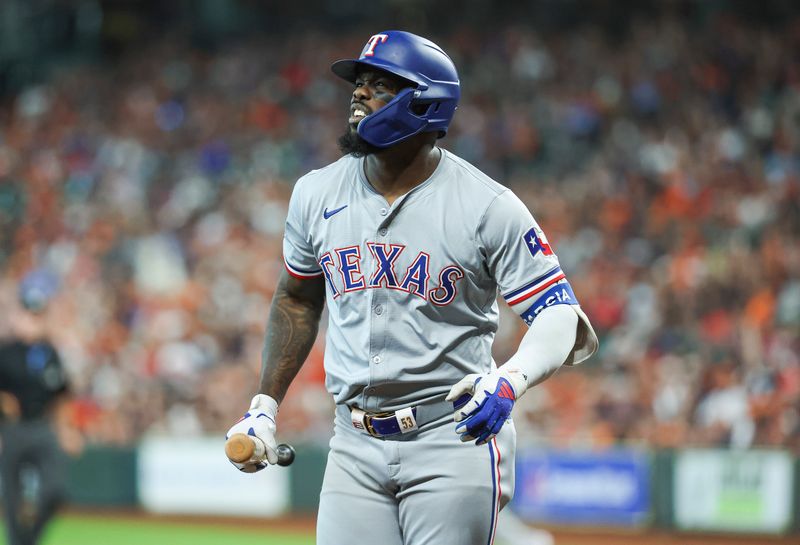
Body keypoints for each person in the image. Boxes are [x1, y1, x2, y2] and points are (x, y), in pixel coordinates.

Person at [226, 30, 597, 544]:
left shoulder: (488, 206)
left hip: (453, 435)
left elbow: (559, 312)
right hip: (353, 441)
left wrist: (511, 379)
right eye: (358, 83)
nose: (357, 93)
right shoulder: (314, 192)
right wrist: (264, 406)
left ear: (425, 103)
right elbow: (296, 296)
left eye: (379, 85)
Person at [0, 270, 81, 545]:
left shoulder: (49, 353)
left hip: (42, 428)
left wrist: (67, 430)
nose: (32, 321)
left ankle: (28, 541)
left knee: (55, 489)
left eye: (38, 315)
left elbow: (61, 394)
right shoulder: (5, 351)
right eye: (29, 313)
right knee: (12, 498)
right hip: (11, 430)